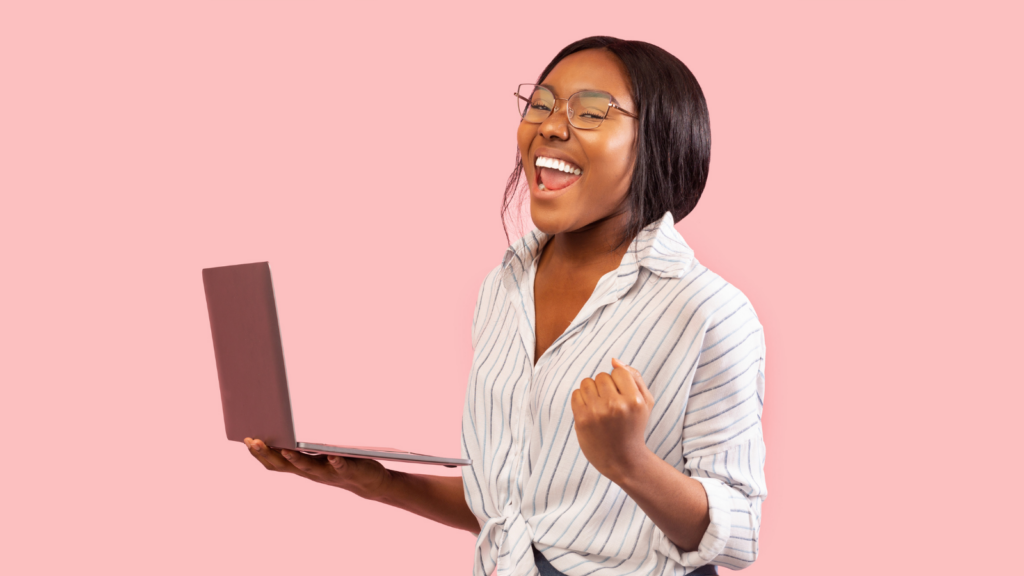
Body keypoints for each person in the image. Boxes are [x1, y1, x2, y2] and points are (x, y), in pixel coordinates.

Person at [243, 36, 766, 576]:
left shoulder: (708, 312)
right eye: (540, 104)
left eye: (590, 112)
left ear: (661, 140)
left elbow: (739, 537)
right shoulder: (504, 288)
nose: (551, 126)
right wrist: (376, 482)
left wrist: (629, 463)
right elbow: (513, 515)